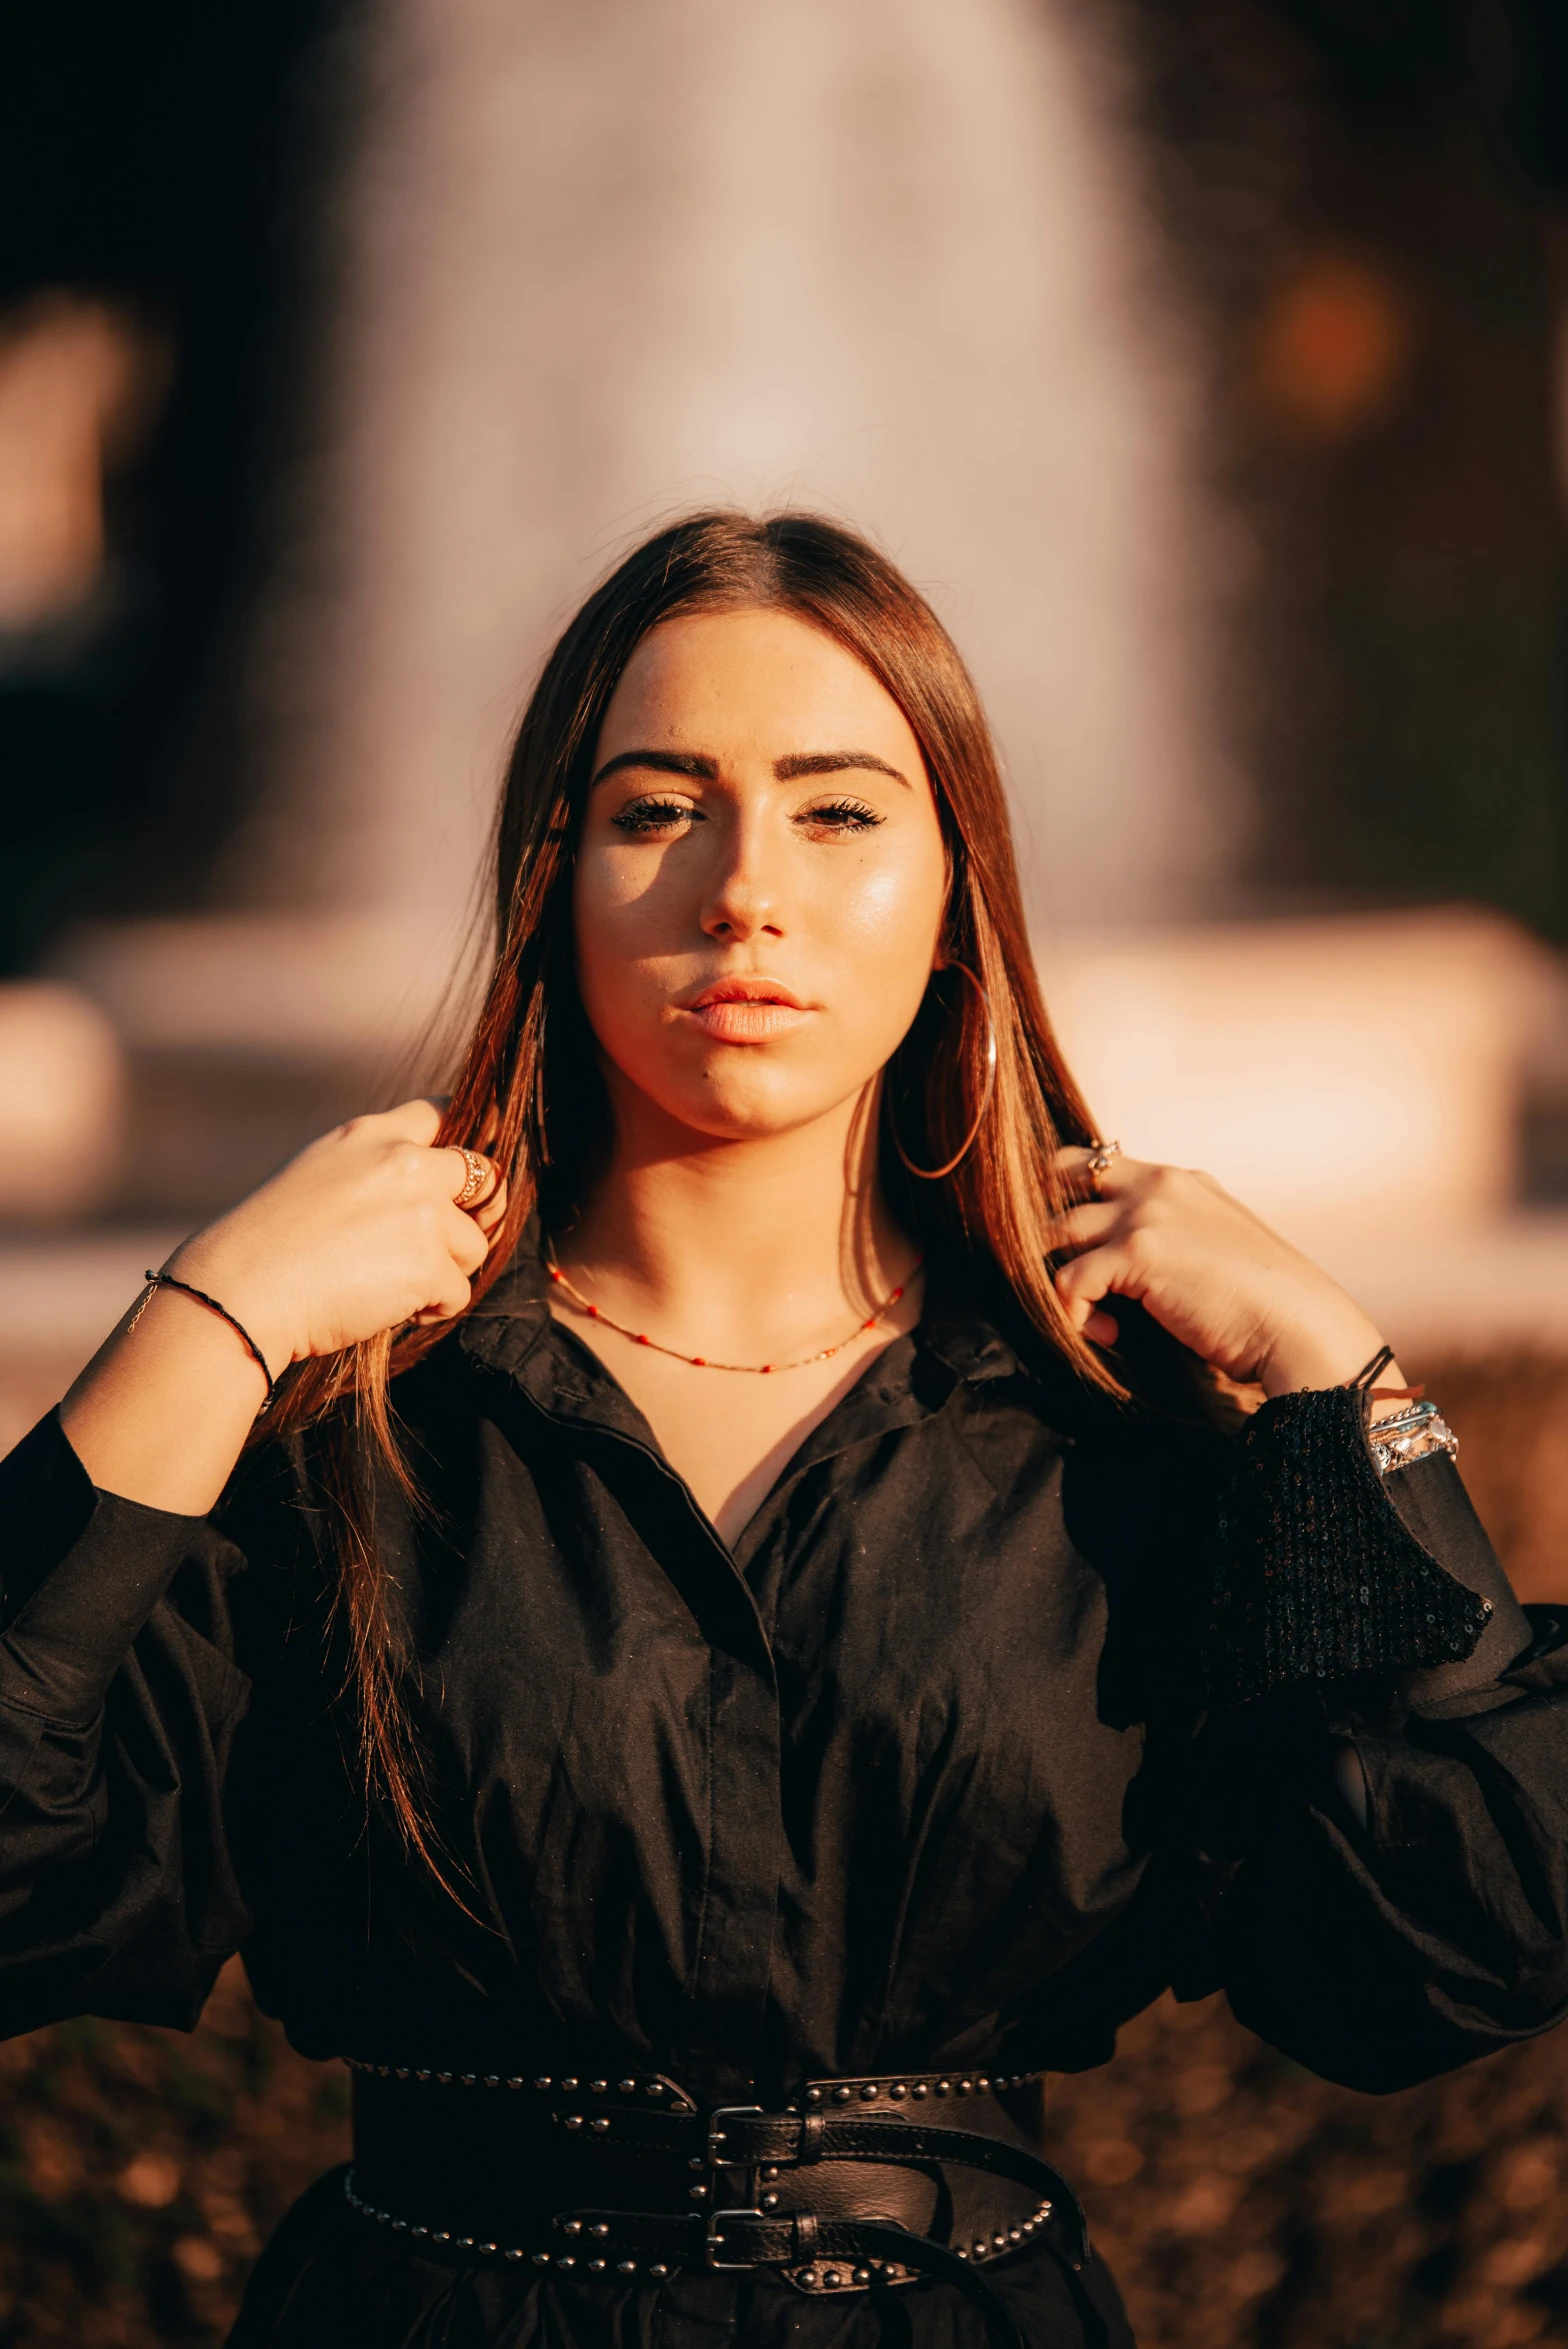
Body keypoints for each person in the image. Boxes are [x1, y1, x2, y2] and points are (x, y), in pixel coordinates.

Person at [2, 513, 1563, 2349]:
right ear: (550, 876)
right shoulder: (347, 1424)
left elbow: (1469, 1947)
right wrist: (209, 1322)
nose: (747, 891)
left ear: (957, 887)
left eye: (838, 812)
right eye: (658, 809)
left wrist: (1340, 1382)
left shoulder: (1121, 1436)